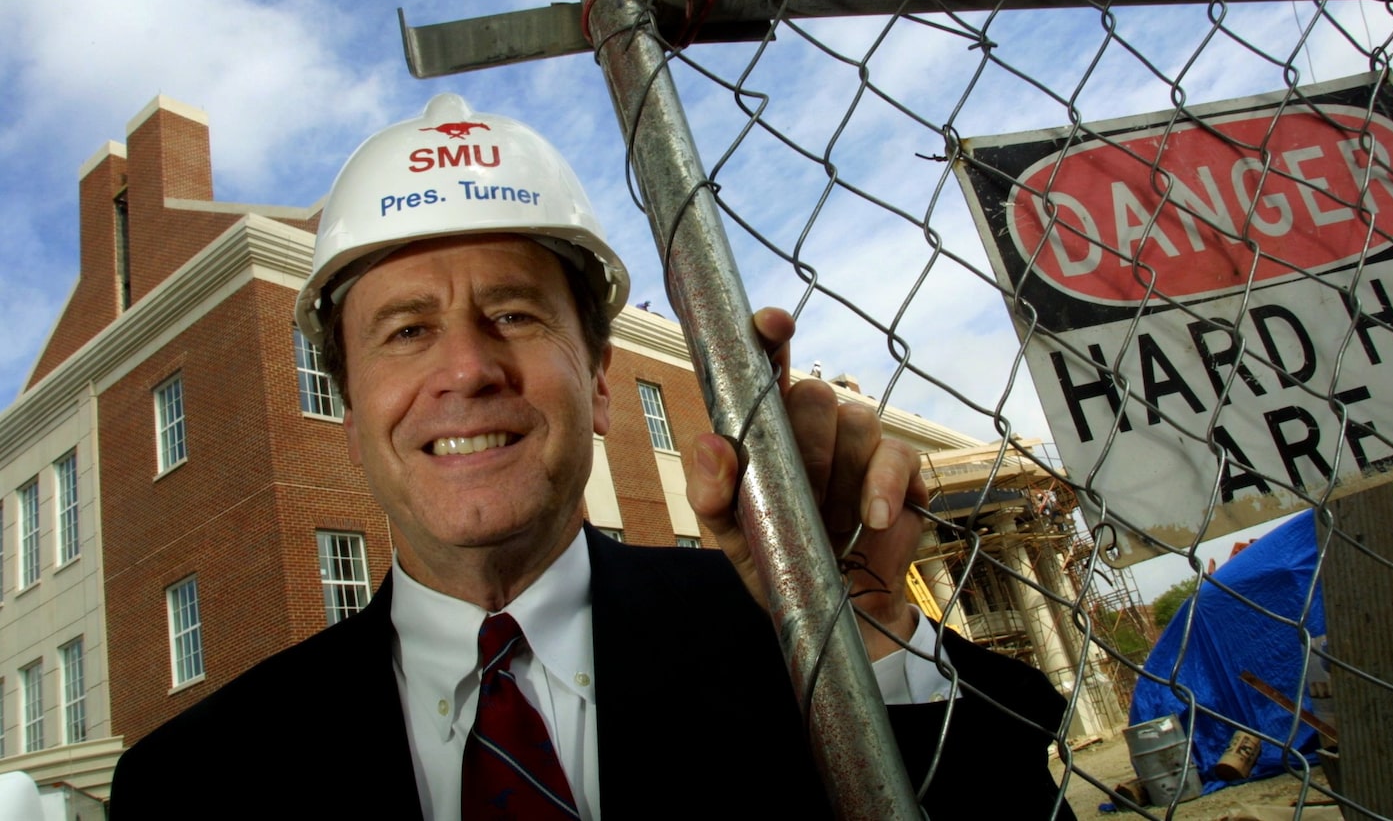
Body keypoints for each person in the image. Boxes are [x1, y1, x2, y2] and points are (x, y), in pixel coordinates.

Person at [109, 94, 1075, 819]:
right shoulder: (194, 783)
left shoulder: (782, 631)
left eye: (515, 314)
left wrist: (856, 632)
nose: (468, 369)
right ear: (350, 412)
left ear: (602, 380)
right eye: (404, 332)